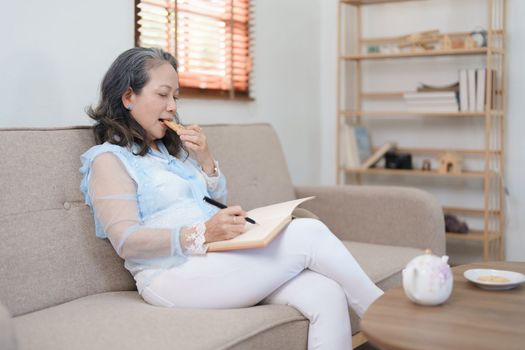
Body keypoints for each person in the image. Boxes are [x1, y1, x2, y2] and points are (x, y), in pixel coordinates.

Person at [80, 47, 383, 350]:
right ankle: (389, 323)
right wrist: (202, 233)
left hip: (213, 259)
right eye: (162, 95)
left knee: (326, 293)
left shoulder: (169, 152)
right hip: (169, 276)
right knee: (309, 232)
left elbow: (211, 202)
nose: (172, 106)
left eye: (176, 96)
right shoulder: (108, 160)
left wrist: (206, 160)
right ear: (128, 97)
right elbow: (126, 240)